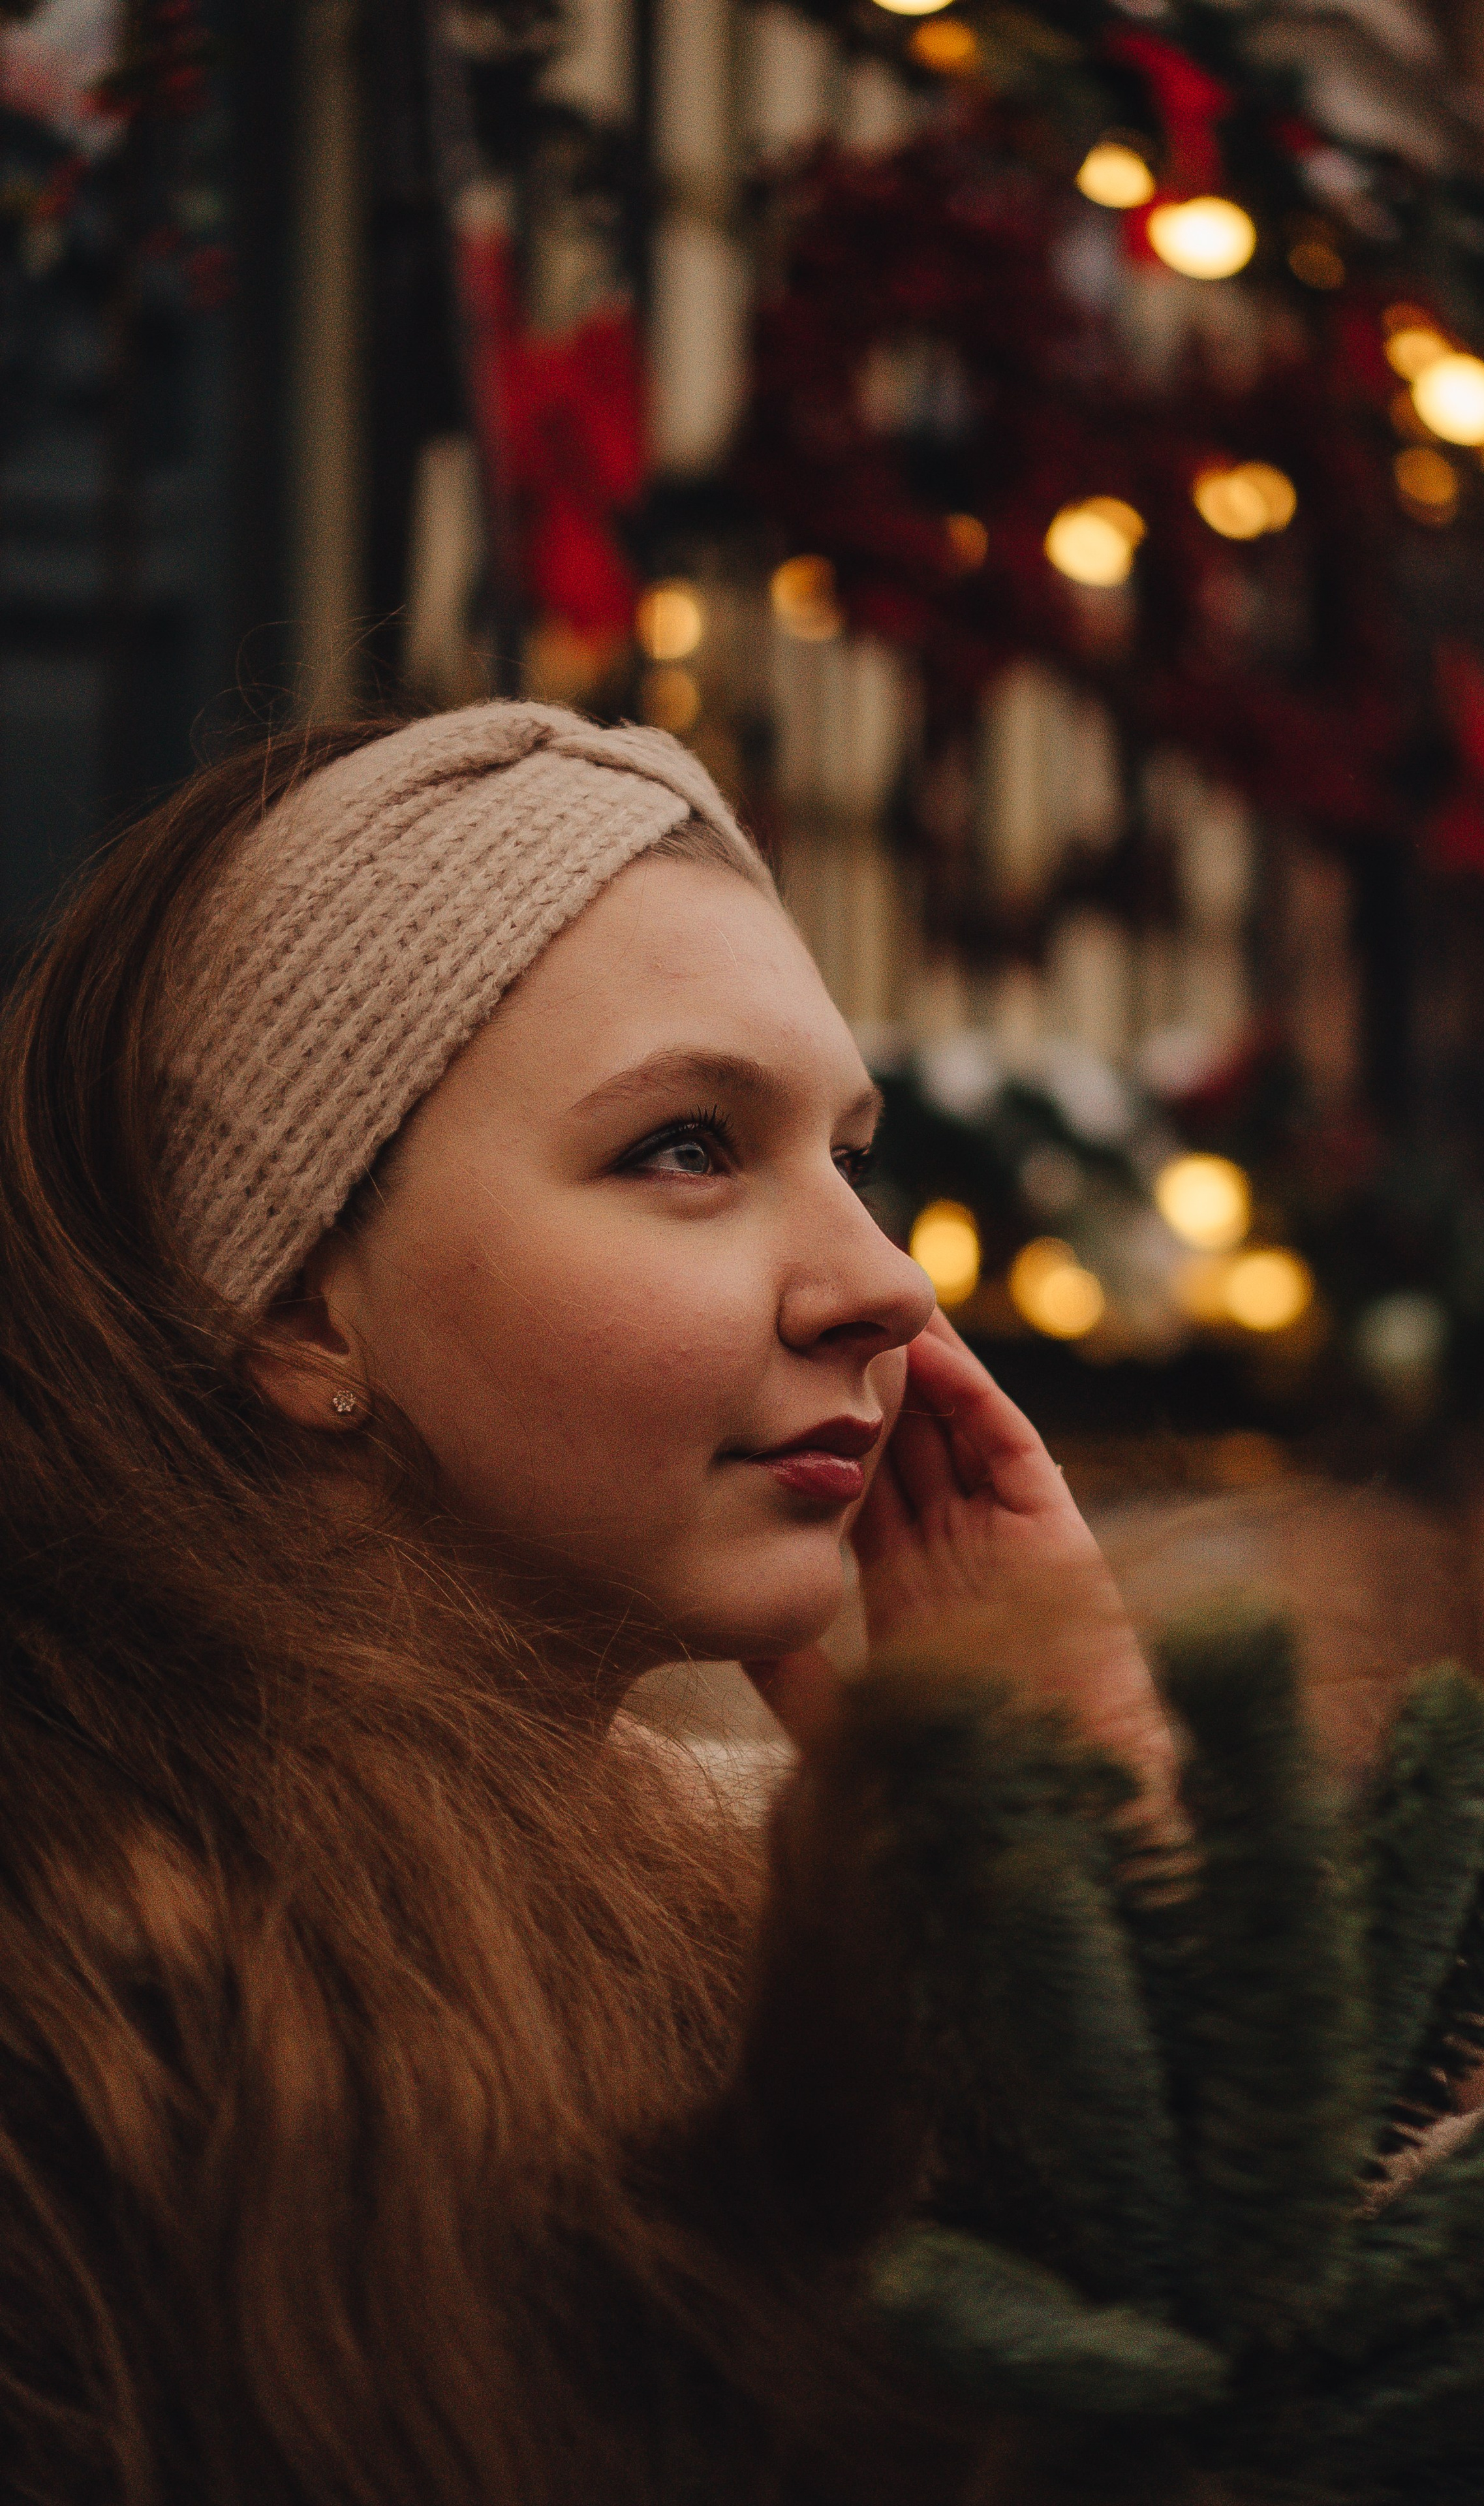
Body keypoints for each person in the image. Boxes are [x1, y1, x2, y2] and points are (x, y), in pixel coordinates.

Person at [0, 702, 1170, 2505]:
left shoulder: (757, 1899)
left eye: (852, 1159)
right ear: (295, 1308)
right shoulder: (103, 2036)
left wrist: (1087, 1830)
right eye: (690, 1147)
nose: (886, 1282)